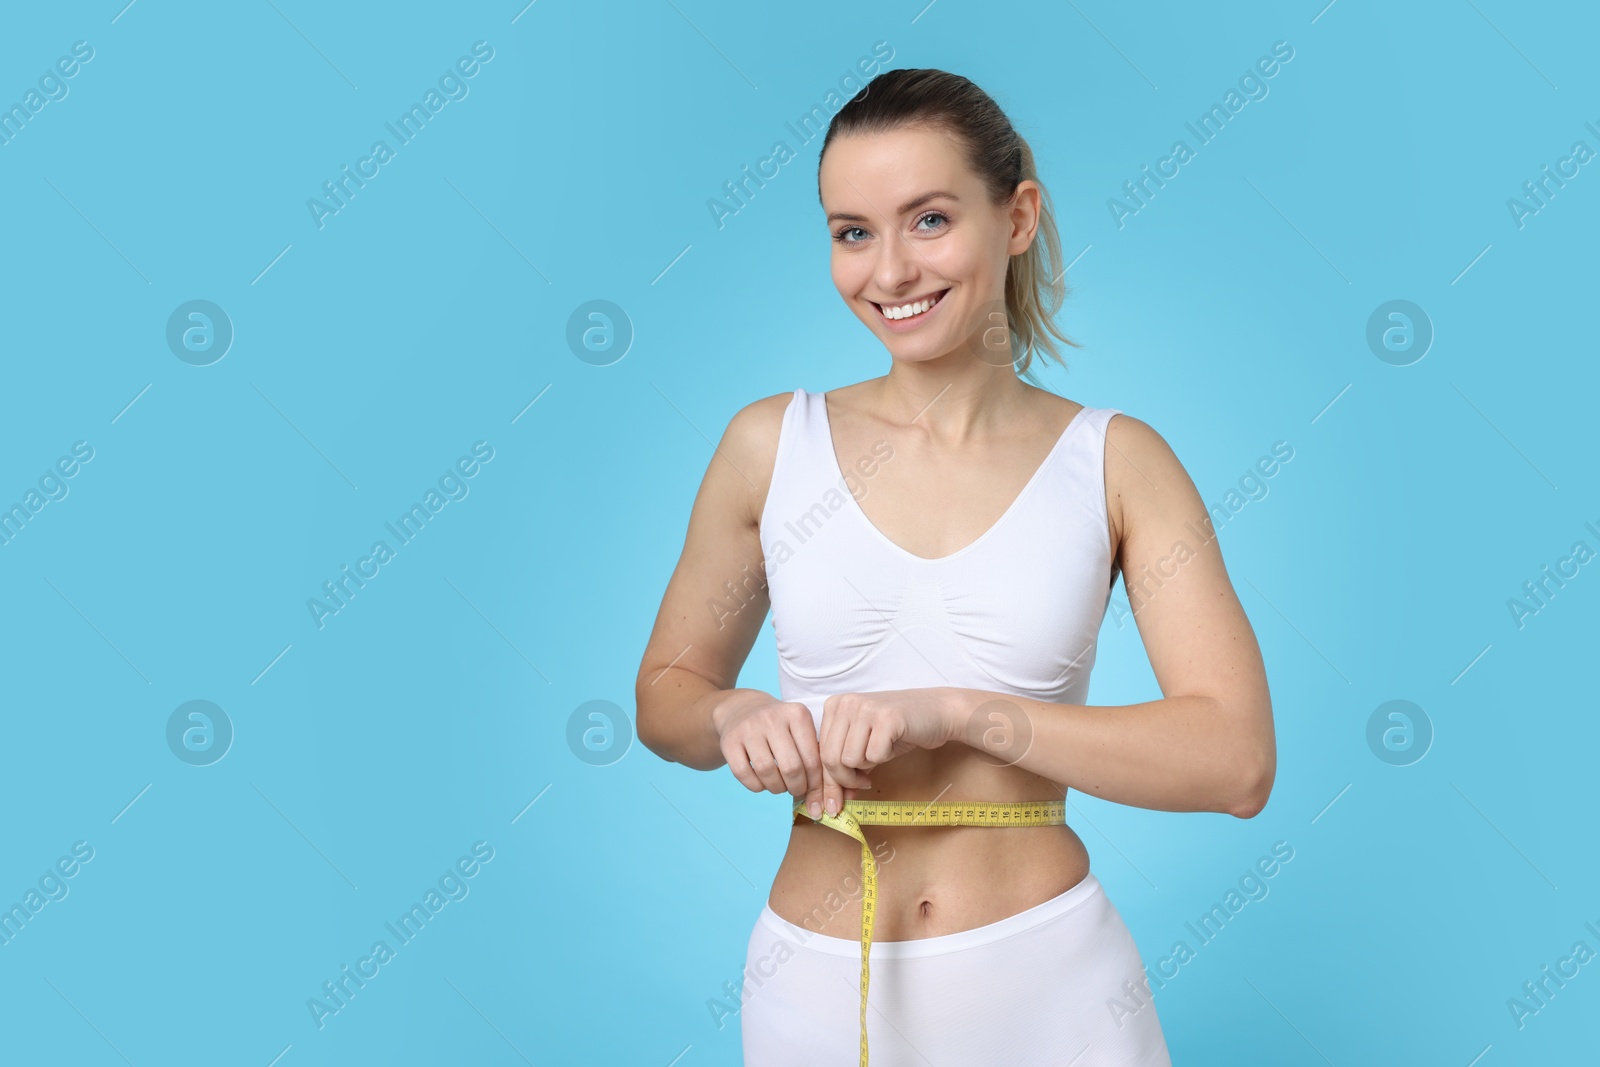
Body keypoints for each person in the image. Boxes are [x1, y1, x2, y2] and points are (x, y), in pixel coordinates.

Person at [636, 67, 1275, 1066]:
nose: (887, 271)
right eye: (851, 231)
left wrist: (968, 712)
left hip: (1056, 990)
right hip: (812, 982)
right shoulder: (769, 445)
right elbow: (665, 692)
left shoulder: (1116, 463)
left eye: (927, 220)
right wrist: (731, 716)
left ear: (1016, 217)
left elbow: (1235, 760)